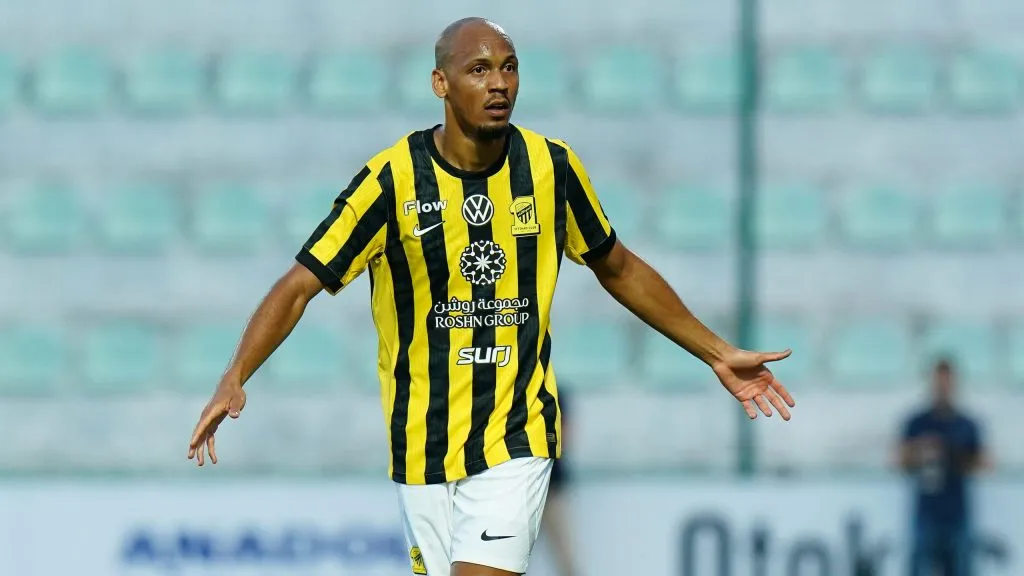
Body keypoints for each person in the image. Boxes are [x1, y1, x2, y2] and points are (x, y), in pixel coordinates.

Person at [186, 17, 797, 576]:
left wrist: (717, 351)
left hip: (517, 437)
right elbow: (300, 284)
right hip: (421, 448)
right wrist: (236, 373)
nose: (499, 83)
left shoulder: (551, 168)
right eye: (479, 69)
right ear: (441, 83)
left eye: (509, 67)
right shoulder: (392, 181)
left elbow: (617, 266)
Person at [898, 357, 990, 576]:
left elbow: (984, 463)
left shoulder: (966, 424)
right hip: (926, 511)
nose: (942, 386)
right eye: (939, 381)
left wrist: (953, 454)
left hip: (957, 511)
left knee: (960, 567)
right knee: (920, 566)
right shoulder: (917, 422)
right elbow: (900, 461)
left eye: (946, 381)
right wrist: (922, 451)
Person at [538, 387, 578, 576]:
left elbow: (563, 435)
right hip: (518, 488)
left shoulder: (553, 391)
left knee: (564, 554)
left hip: (551, 486)